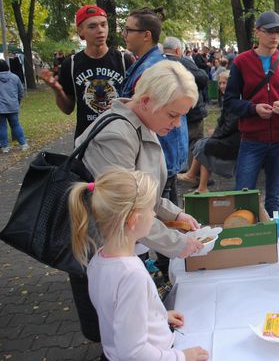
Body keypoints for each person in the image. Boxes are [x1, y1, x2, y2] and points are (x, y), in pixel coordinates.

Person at [70, 59, 204, 344]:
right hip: (99, 244)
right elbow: (129, 207)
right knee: (116, 333)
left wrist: (175, 213)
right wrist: (177, 244)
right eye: (172, 114)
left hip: (118, 242)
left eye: (182, 115)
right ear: (145, 101)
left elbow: (144, 190)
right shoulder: (116, 136)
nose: (177, 123)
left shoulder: (143, 120)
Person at [68, 168, 209, 361]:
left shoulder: (98, 259)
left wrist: (158, 316)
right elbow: (134, 352)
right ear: (134, 220)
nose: (153, 215)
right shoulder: (131, 275)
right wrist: (182, 357)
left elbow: (117, 312)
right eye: (151, 209)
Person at [223, 10, 279, 216]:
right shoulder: (242, 61)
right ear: (257, 32)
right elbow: (230, 101)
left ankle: (273, 242)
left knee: (275, 198)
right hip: (252, 140)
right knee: (243, 195)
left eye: (278, 32)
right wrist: (253, 108)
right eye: (270, 31)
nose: (275, 36)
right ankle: (245, 239)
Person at [120, 7, 188, 206]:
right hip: (161, 155)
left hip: (159, 155)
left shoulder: (150, 70)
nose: (124, 35)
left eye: (128, 30)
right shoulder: (149, 63)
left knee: (158, 217)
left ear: (146, 35)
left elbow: (146, 117)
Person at [39, 4, 131, 138]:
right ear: (80, 31)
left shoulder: (124, 61)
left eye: (103, 25)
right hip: (86, 142)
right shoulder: (70, 64)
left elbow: (136, 102)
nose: (100, 30)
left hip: (120, 139)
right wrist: (57, 90)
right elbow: (67, 109)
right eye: (92, 26)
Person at [179, 70, 240, 192]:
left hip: (235, 138)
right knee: (202, 143)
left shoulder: (235, 100)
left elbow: (232, 123)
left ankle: (198, 182)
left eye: (225, 83)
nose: (222, 86)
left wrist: (217, 133)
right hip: (228, 135)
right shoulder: (227, 98)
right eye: (220, 83)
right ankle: (197, 180)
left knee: (206, 146)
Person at [162, 36, 208, 168]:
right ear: (177, 50)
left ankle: (180, 166)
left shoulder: (158, 62)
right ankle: (195, 173)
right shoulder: (182, 62)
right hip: (192, 110)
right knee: (196, 141)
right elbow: (202, 78)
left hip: (171, 112)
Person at [0, 59, 29, 152]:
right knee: (16, 125)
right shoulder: (15, 77)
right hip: (13, 105)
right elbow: (21, 91)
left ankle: (5, 147)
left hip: (0, 108)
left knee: (2, 127)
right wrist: (17, 101)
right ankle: (23, 144)